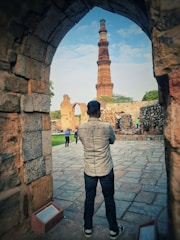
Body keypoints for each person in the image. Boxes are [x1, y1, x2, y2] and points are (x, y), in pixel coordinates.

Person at [78, 100, 124, 240]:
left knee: (89, 199)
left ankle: (87, 228)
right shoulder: (106, 127)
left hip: (89, 169)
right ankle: (113, 230)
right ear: (99, 112)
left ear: (87, 112)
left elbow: (84, 142)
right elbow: (112, 140)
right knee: (109, 199)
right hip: (105, 168)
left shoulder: (81, 128)